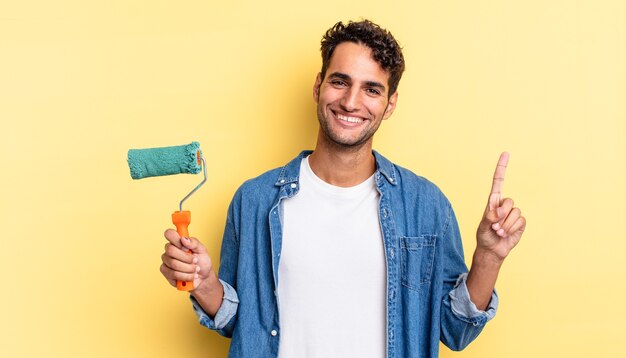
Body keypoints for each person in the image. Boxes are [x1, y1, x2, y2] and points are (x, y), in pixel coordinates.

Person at [160, 20, 525, 357]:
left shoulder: (425, 205)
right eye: (340, 81)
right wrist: (203, 282)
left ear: (390, 104)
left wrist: (489, 258)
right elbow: (241, 326)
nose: (351, 102)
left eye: (371, 89)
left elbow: (454, 330)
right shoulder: (255, 200)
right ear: (318, 85)